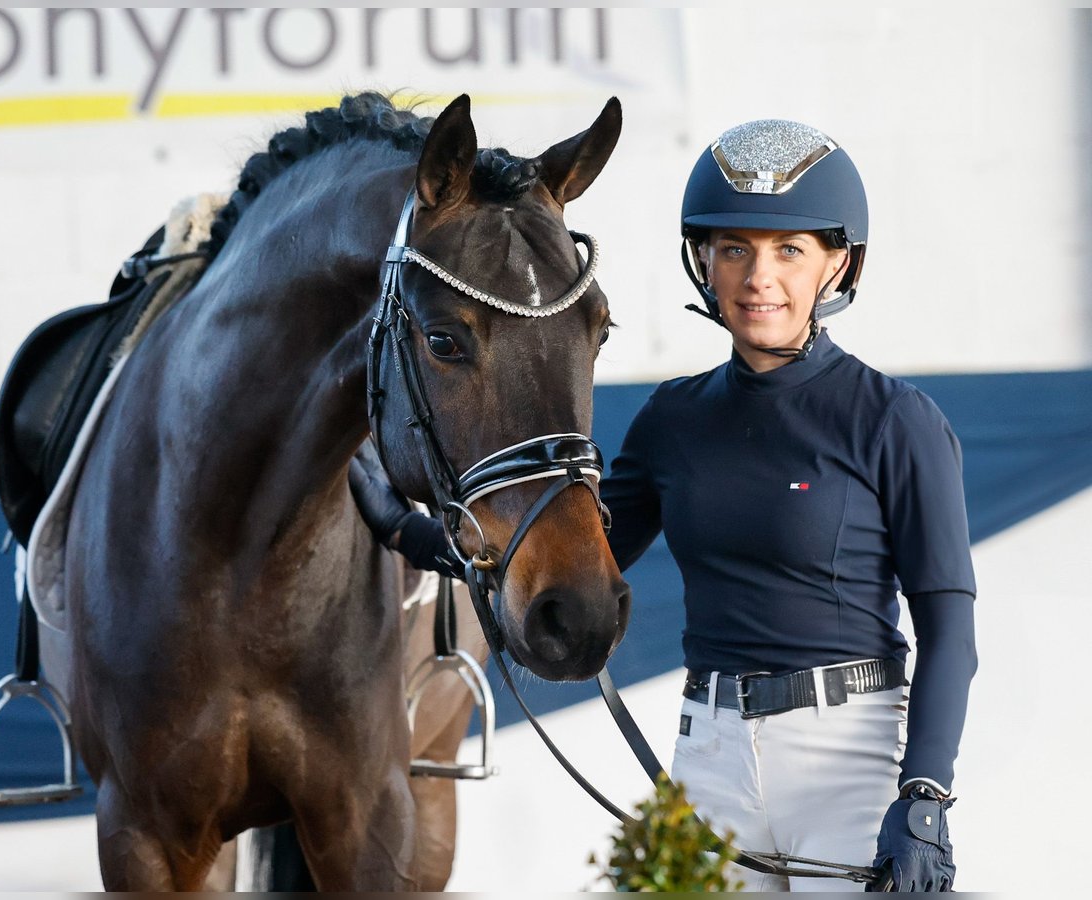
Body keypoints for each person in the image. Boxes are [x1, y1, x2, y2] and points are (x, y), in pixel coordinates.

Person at [347, 118, 977, 892]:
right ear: (703, 260)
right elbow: (557, 560)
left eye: (789, 251)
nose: (758, 277)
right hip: (707, 753)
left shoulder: (897, 421)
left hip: (847, 758)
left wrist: (923, 795)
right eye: (734, 248)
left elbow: (949, 631)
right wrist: (403, 528)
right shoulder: (673, 420)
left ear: (835, 263)